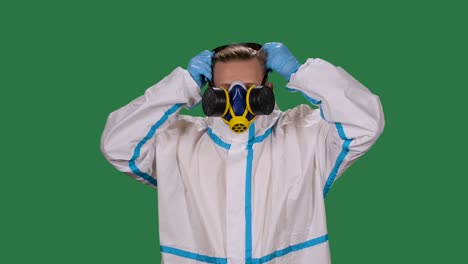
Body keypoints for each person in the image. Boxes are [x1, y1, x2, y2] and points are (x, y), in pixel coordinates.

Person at [100, 42, 385, 264]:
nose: (237, 100)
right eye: (224, 90)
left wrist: (301, 74)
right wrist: (182, 84)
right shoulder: (177, 142)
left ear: (267, 91)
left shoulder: (307, 135)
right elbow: (117, 144)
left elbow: (365, 122)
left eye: (249, 89)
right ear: (208, 93)